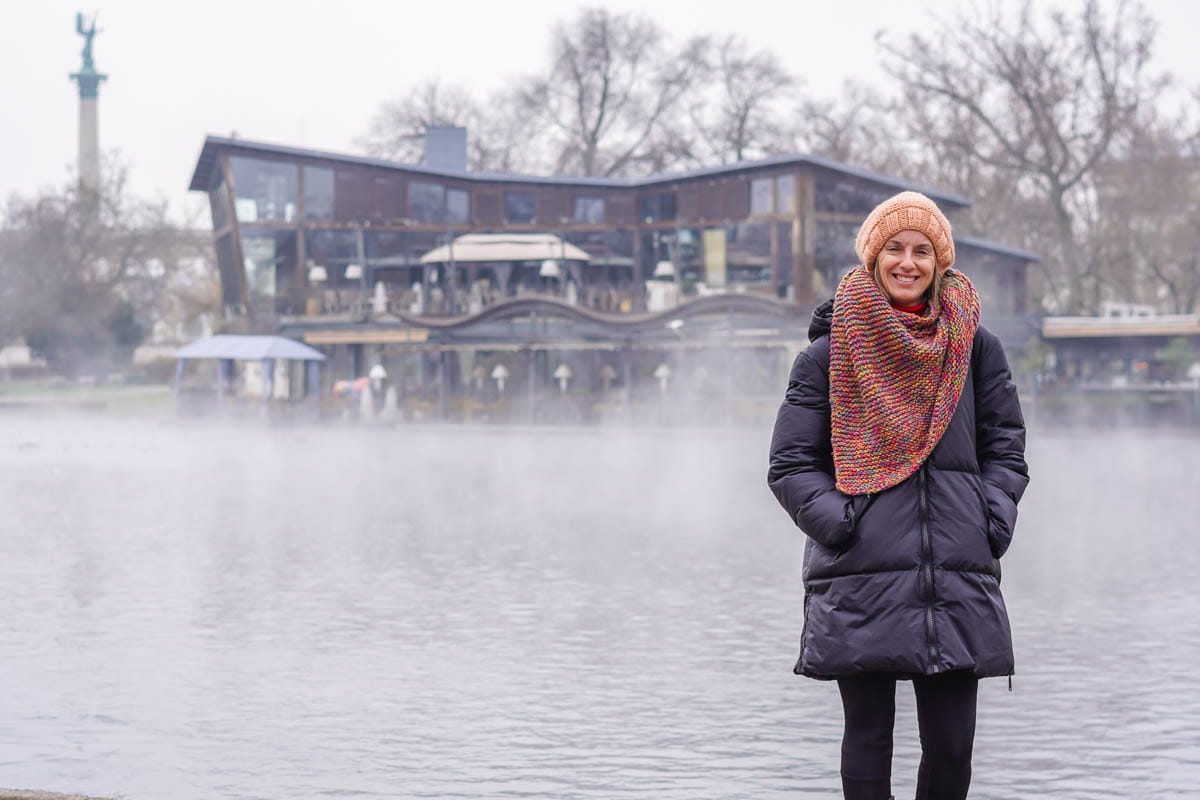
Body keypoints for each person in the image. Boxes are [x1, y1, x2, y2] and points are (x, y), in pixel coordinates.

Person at [767, 191, 1029, 800]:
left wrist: (992, 517)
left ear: (940, 262)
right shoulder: (828, 354)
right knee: (868, 738)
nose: (907, 262)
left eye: (921, 251)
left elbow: (1006, 445)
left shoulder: (975, 346)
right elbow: (790, 465)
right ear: (872, 257)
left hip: (955, 571)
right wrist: (845, 523)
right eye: (894, 249)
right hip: (860, 571)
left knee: (953, 745)